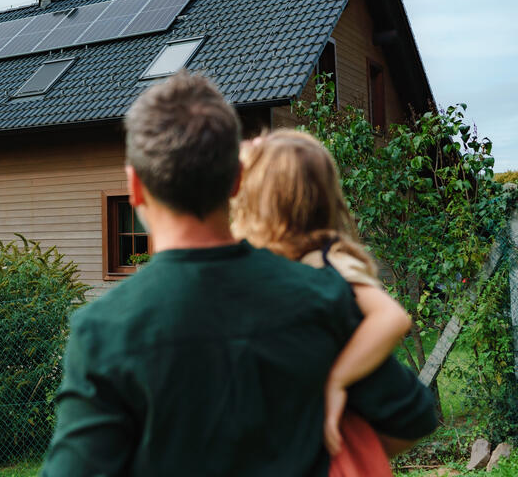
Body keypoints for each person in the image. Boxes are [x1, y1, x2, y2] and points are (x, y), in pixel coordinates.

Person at [41, 71, 437, 477]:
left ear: (136, 188)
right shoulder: (320, 293)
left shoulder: (103, 330)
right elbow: (412, 418)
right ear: (235, 180)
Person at [232, 130, 413, 475]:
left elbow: (392, 317)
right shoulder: (279, 258)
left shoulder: (326, 260)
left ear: (266, 198)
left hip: (333, 449)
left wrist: (336, 379)